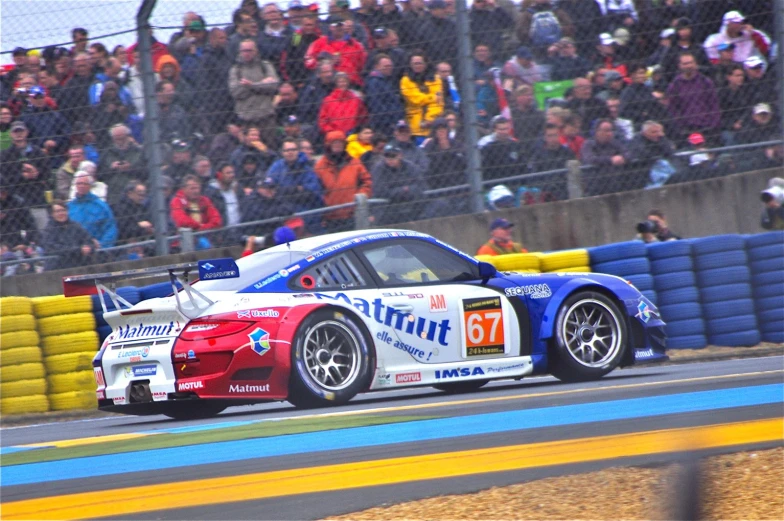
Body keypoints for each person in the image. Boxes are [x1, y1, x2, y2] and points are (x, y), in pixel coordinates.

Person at [313, 130, 372, 232]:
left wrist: (359, 198)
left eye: (340, 142)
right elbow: (316, 190)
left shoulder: (355, 162)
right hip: (330, 217)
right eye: (334, 142)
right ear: (328, 145)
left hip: (352, 215)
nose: (337, 145)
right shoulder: (320, 166)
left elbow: (366, 182)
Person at [229, 39, 280, 146]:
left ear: (255, 51)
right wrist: (261, 84)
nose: (246, 53)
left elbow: (273, 85)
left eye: (249, 50)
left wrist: (251, 85)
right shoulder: (236, 70)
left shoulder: (265, 66)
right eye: (244, 51)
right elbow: (235, 92)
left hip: (266, 118)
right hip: (246, 120)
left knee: (270, 148)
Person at [265, 138, 324, 232]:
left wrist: (285, 191)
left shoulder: (306, 168)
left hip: (307, 215)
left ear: (298, 151)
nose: (290, 152)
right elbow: (269, 187)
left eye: (293, 150)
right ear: (282, 152)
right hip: (284, 214)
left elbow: (312, 192)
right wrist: (296, 189)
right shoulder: (277, 166)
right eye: (287, 150)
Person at [370, 144, 427, 225]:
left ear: (400, 155)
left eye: (393, 156)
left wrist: (395, 191)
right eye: (387, 156)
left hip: (410, 206)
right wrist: (404, 190)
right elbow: (380, 192)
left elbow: (421, 186)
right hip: (387, 208)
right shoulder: (379, 168)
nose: (390, 159)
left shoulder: (410, 166)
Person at [40, 200, 97, 271]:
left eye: (63, 210)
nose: (61, 213)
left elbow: (88, 240)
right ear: (52, 214)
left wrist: (89, 247)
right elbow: (52, 248)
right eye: (57, 211)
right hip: (57, 268)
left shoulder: (75, 226)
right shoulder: (49, 230)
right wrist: (78, 250)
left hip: (79, 265)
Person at [400, 52, 443, 143]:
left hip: (432, 126)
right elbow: (414, 99)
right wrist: (432, 97)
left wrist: (429, 119)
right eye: (414, 63)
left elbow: (439, 103)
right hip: (415, 127)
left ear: (425, 64)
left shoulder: (436, 79)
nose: (417, 66)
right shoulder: (405, 80)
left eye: (419, 63)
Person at [68, 172, 118, 249]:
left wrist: (103, 247)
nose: (81, 186)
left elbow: (110, 229)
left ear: (90, 186)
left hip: (97, 249)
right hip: (76, 250)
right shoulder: (69, 206)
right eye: (79, 183)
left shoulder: (101, 206)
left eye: (85, 184)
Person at [318, 72, 367, 136]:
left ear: (348, 83)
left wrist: (357, 129)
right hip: (335, 136)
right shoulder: (328, 100)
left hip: (353, 134)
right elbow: (323, 120)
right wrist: (331, 131)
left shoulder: (356, 100)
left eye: (344, 81)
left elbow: (363, 116)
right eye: (340, 82)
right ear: (336, 84)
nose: (342, 84)